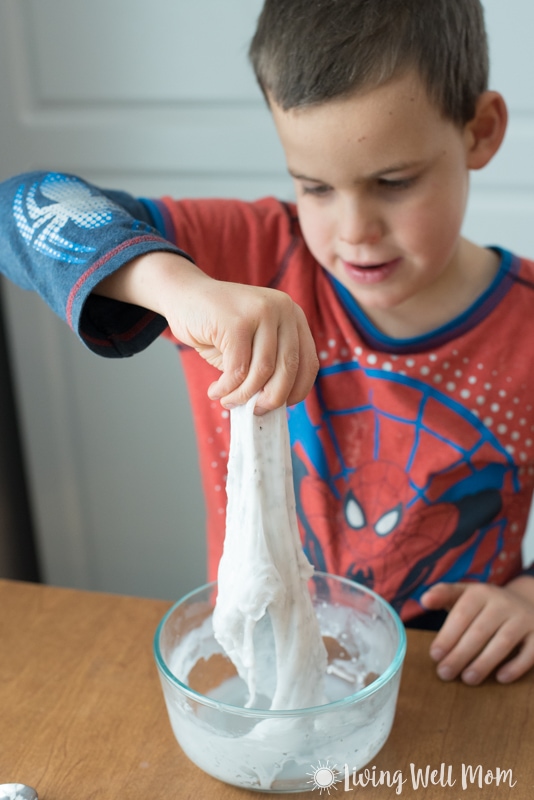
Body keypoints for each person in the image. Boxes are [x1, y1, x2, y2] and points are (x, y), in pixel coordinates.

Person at [1, 0, 533, 686]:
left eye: (394, 183)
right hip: (254, 677)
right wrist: (181, 289)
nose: (353, 230)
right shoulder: (244, 258)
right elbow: (20, 206)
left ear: (480, 132)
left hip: (454, 688)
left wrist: (526, 599)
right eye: (314, 186)